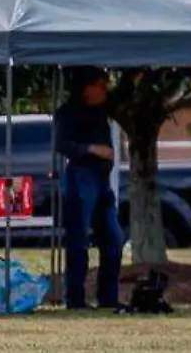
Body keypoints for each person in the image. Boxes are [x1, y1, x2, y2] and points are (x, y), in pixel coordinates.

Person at [55, 67, 126, 311]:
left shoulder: (103, 110)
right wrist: (92, 149)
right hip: (81, 176)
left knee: (114, 238)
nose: (105, 89)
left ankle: (108, 296)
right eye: (100, 84)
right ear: (87, 88)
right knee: (78, 238)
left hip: (102, 179)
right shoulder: (68, 113)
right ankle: (75, 298)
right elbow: (62, 144)